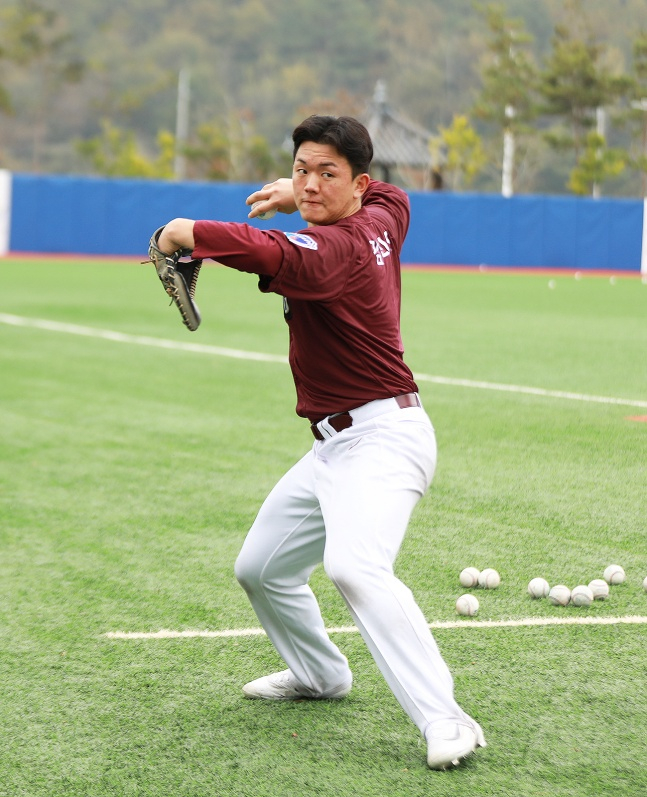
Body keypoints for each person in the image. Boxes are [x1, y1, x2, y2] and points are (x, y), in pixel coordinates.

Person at [154, 115, 486, 770]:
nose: (309, 183)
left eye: (325, 173)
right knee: (261, 568)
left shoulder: (340, 252)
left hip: (384, 438)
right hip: (334, 445)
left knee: (354, 566)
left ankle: (447, 719)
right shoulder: (384, 210)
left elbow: (271, 252)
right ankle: (319, 673)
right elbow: (397, 195)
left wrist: (182, 233)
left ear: (356, 182)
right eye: (302, 168)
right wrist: (297, 188)